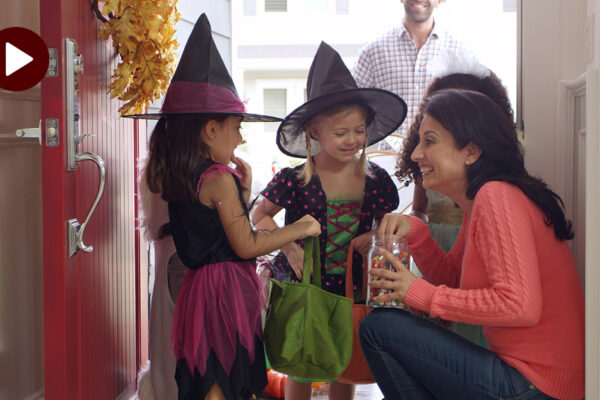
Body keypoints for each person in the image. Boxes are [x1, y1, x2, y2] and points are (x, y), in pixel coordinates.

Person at [128, 14, 322, 400]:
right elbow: (245, 246)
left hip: (198, 292)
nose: (240, 137)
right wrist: (299, 228)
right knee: (224, 375)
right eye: (235, 126)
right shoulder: (218, 178)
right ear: (210, 130)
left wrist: (243, 192)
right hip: (223, 294)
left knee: (208, 377)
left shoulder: (182, 174)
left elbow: (210, 229)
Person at [359, 89, 585, 400]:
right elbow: (454, 281)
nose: (415, 154)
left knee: (379, 328)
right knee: (383, 326)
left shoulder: (496, 196)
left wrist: (418, 292)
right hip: (529, 379)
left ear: (472, 151)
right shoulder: (481, 202)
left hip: (536, 385)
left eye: (430, 141)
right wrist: (419, 234)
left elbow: (519, 306)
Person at [252, 42, 407, 400]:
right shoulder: (295, 180)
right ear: (315, 132)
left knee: (345, 363)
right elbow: (259, 217)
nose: (352, 140)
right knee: (302, 363)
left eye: (359, 130)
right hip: (306, 282)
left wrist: (374, 238)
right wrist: (289, 246)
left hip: (355, 286)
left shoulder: (377, 181)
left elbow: (389, 230)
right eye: (341, 133)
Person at [396, 49, 515, 346]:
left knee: (469, 325)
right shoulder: (430, 165)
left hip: (476, 245)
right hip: (436, 241)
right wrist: (411, 233)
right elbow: (420, 209)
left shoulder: (492, 200)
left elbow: (513, 301)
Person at [353, 0, 464, 151]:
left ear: (439, 1)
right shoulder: (373, 52)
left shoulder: (458, 53)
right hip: (389, 162)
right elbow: (353, 111)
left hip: (441, 161)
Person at [135, 158, 185, 400]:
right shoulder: (187, 168)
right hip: (181, 259)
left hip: (169, 254)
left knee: (166, 341)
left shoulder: (158, 165)